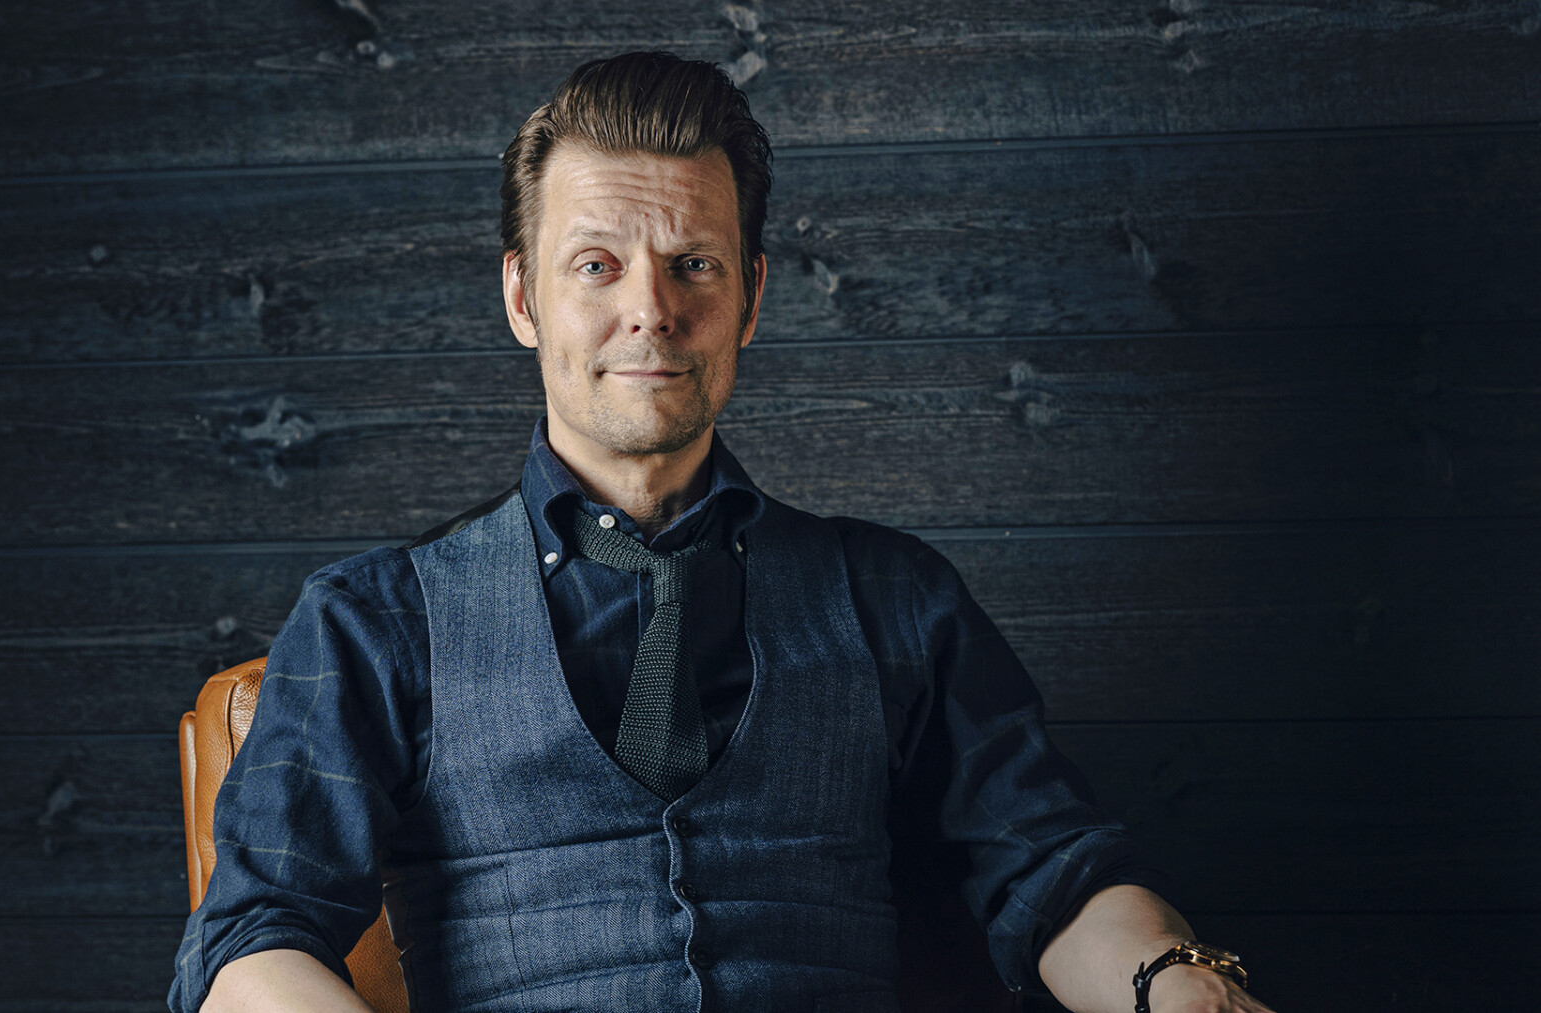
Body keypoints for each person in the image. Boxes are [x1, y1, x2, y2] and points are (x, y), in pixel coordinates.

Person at [169, 52, 1277, 1013]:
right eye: (595, 265)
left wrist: (1176, 979)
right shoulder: (375, 619)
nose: (649, 307)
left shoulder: (897, 597)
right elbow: (247, 950)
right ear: (523, 298)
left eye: (692, 263)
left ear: (747, 297)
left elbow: (1055, 871)